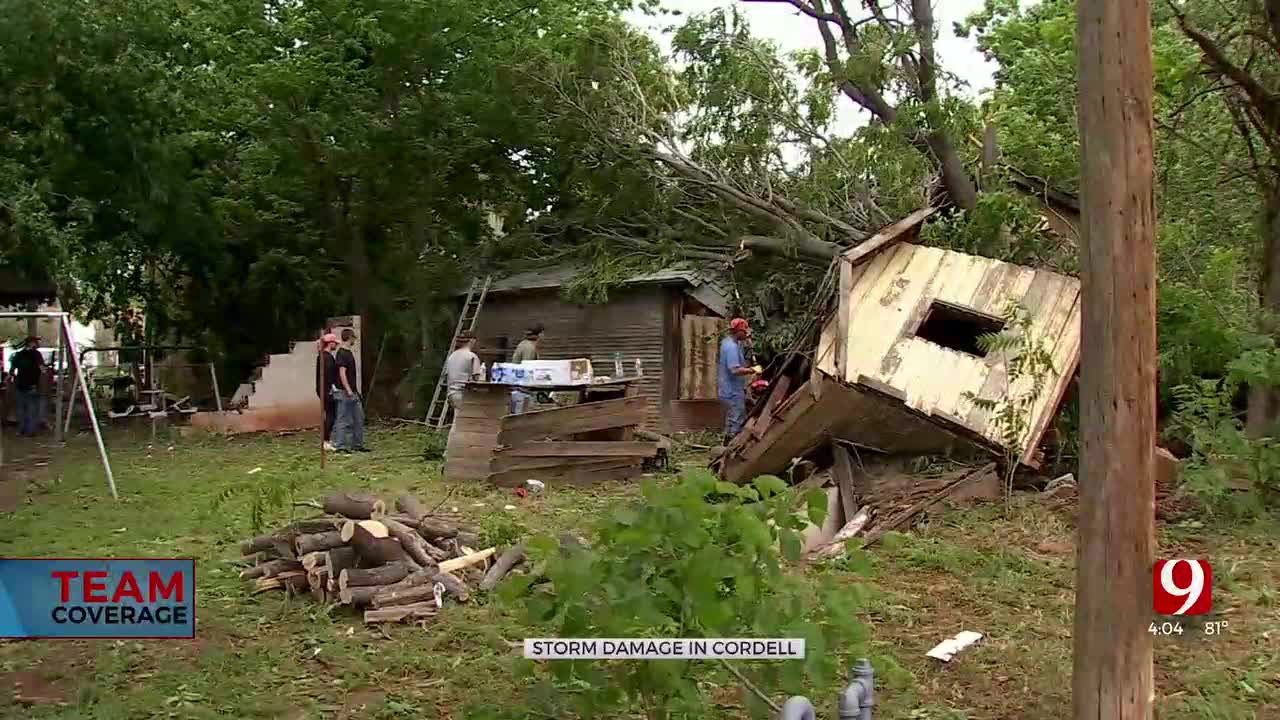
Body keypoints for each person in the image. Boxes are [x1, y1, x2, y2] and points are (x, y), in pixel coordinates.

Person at [717, 318, 756, 440]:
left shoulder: (728, 342)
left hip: (728, 388)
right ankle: (732, 449)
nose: (746, 334)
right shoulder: (731, 348)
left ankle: (726, 446)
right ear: (738, 331)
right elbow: (734, 370)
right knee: (736, 420)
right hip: (732, 391)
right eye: (744, 332)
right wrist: (753, 370)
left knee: (730, 420)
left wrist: (749, 341)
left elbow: (744, 347)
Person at [331, 329, 369, 452]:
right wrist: (348, 390)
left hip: (352, 391)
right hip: (344, 392)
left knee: (359, 417)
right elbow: (342, 373)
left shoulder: (348, 352)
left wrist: (354, 391)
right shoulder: (342, 353)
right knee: (342, 419)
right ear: (350, 338)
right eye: (354, 338)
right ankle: (340, 446)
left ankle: (357, 444)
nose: (354, 341)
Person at [9, 336, 46, 437]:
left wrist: (11, 379)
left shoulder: (19, 354)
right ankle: (30, 430)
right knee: (32, 408)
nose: (37, 344)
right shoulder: (36, 354)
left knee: (21, 409)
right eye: (36, 342)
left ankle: (22, 429)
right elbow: (42, 369)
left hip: (20, 384)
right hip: (32, 385)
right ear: (31, 343)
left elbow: (12, 369)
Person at [509, 323, 543, 415]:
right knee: (520, 418)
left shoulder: (522, 344)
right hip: (523, 390)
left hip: (517, 388)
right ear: (540, 335)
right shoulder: (529, 348)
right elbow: (527, 367)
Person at [445, 331, 482, 413]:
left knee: (458, 419)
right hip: (464, 395)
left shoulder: (452, 356)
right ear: (472, 341)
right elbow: (477, 379)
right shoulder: (472, 356)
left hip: (451, 394)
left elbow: (448, 376)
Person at [315, 333, 339, 451]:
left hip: (323, 389)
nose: (336, 345)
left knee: (330, 414)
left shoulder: (322, 356)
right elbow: (329, 374)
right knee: (330, 415)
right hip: (327, 390)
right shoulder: (327, 357)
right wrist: (332, 388)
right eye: (335, 343)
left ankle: (327, 439)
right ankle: (326, 441)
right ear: (330, 343)